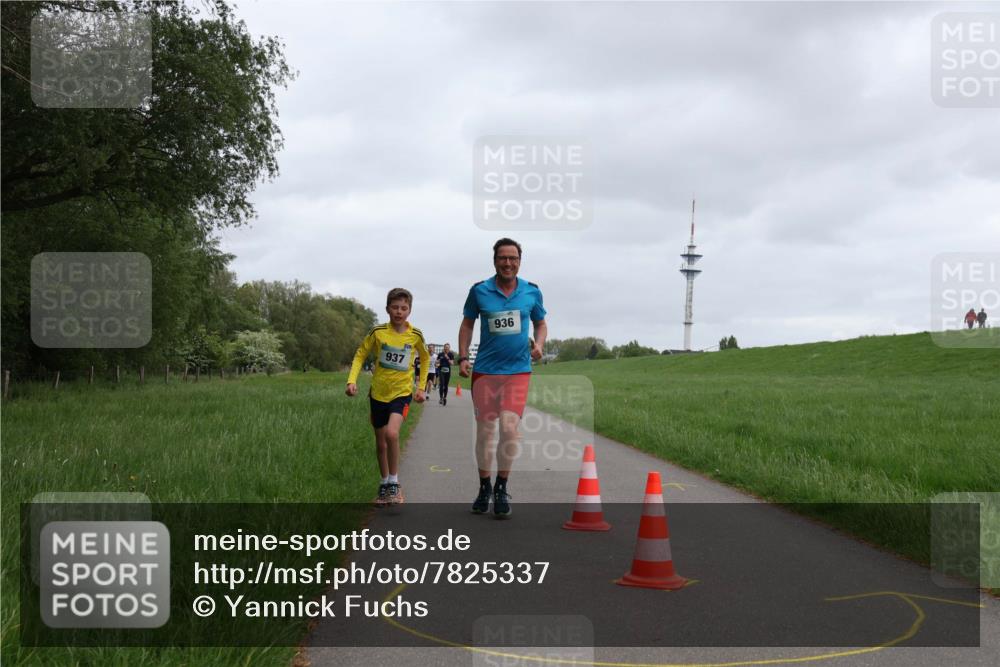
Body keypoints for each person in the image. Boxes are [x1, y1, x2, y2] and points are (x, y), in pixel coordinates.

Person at [458, 238, 547, 519]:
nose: (508, 263)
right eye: (502, 258)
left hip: (518, 371)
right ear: (494, 260)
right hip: (485, 372)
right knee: (485, 431)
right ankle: (484, 486)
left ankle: (501, 487)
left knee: (509, 428)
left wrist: (540, 345)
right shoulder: (479, 291)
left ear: (520, 261)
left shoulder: (531, 292)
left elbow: (540, 323)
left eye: (513, 258)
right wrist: (463, 356)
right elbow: (467, 323)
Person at [346, 288, 428, 506]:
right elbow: (360, 354)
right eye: (395, 307)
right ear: (387, 309)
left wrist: (420, 387)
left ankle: (394, 483)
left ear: (409, 310)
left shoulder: (416, 335)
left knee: (392, 434)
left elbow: (426, 358)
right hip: (378, 394)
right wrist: (351, 380)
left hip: (401, 393)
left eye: (403, 308)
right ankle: (383, 485)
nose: (399, 312)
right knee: (381, 443)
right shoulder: (378, 332)